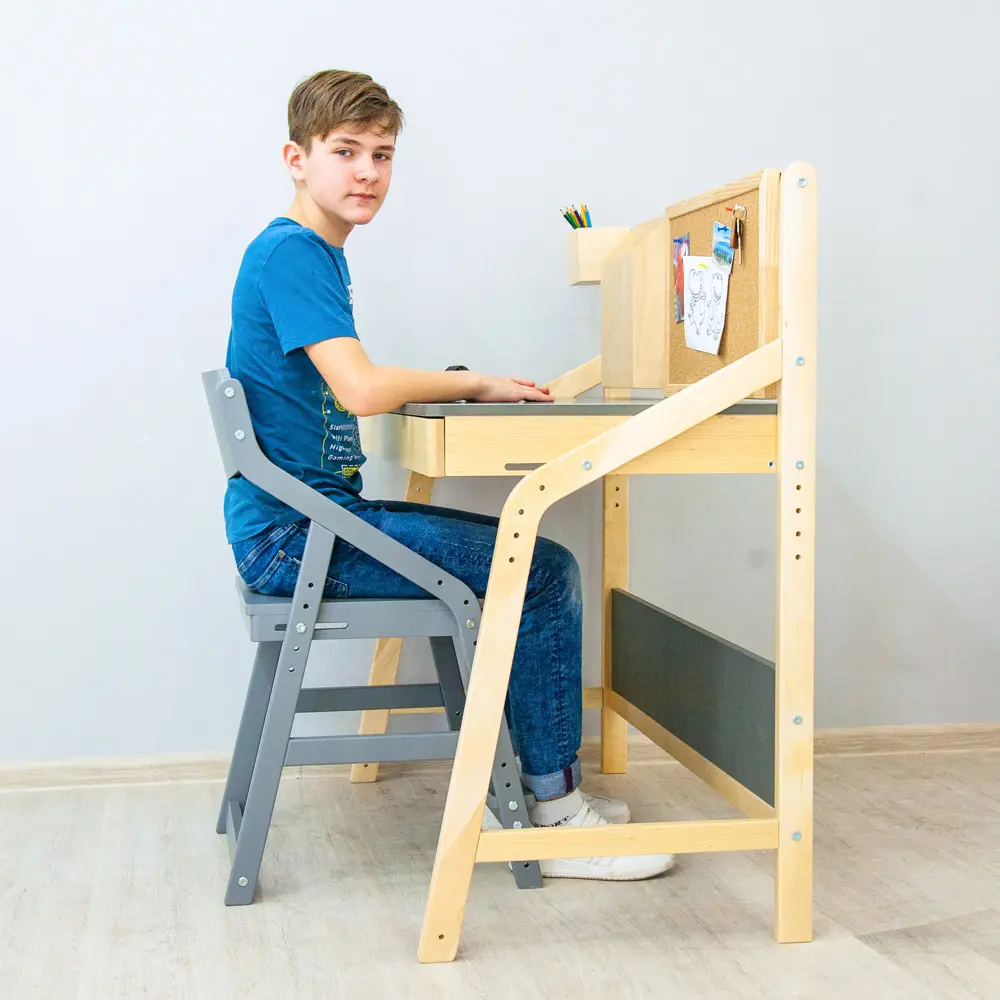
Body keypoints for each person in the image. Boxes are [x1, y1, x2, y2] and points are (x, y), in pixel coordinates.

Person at [224, 69, 674, 881]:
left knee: (530, 559)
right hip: (298, 538)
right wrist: (473, 383)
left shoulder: (309, 254)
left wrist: (462, 383)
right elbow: (360, 389)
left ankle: (540, 794)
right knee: (542, 571)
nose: (367, 172)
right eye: (346, 152)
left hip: (299, 526)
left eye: (382, 155)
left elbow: (348, 386)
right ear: (297, 159)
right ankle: (555, 816)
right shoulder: (294, 253)